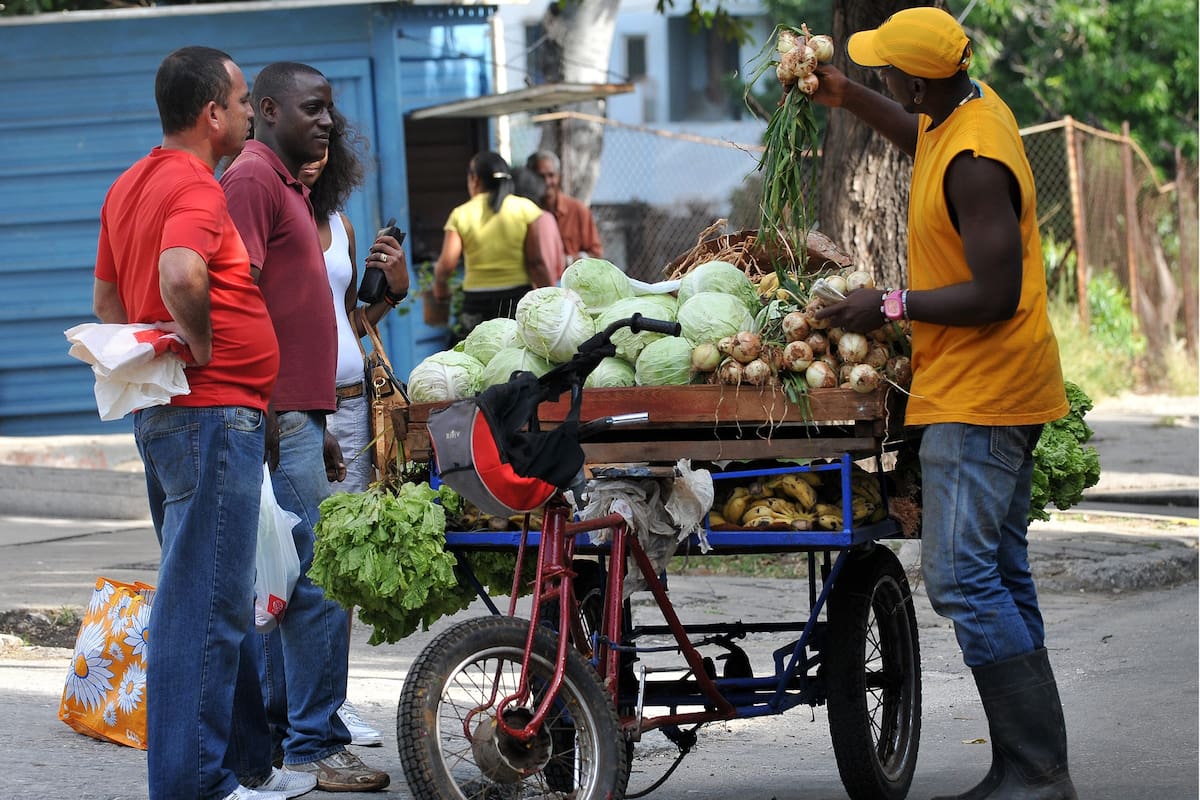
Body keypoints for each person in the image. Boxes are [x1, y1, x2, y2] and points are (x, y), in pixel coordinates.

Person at [803, 9, 1077, 800]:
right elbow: (914, 129)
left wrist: (885, 307)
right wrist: (850, 95)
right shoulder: (958, 112)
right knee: (1000, 573)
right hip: (990, 388)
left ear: (922, 77)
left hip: (983, 395)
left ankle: (1033, 769)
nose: (884, 76)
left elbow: (996, 292)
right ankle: (1037, 769)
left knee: (961, 579)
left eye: (888, 70)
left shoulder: (978, 159)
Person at [91, 46, 316, 800]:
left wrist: (161, 354)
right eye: (244, 99)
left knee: (224, 593)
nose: (252, 112)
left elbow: (109, 305)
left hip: (179, 415)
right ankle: (196, 785)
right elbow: (181, 272)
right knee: (207, 606)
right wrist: (201, 343)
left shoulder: (130, 185)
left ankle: (246, 766)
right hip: (209, 414)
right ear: (210, 113)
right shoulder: (193, 184)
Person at [220, 61, 396, 793]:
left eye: (331, 110)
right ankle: (310, 744)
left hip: (305, 412)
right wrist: (265, 408)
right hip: (277, 412)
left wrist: (311, 417)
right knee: (314, 578)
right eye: (313, 108)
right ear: (265, 109)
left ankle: (289, 738)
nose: (327, 121)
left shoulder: (285, 186)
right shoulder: (255, 180)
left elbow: (316, 314)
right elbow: (237, 295)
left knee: (296, 580)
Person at [297, 107, 408, 748]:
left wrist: (391, 289)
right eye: (307, 146)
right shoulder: (270, 217)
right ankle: (302, 716)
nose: (316, 157)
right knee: (301, 568)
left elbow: (348, 320)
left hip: (351, 403)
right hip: (301, 412)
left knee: (339, 571)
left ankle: (331, 703)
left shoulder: (338, 222)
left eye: (326, 147)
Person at [431, 151, 552, 339]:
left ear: (475, 179)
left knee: (477, 358)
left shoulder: (461, 214)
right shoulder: (524, 208)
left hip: (476, 302)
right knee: (517, 352)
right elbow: (536, 262)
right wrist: (552, 297)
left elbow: (446, 266)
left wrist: (440, 287)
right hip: (517, 299)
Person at [526, 149, 603, 264]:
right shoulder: (526, 211)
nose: (547, 182)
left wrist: (568, 261)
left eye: (551, 175)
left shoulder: (578, 210)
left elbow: (596, 255)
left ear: (559, 176)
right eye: (541, 177)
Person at [511, 165, 567, 285]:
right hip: (550, 290)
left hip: (526, 292)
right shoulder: (547, 218)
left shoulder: (513, 219)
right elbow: (560, 265)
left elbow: (536, 263)